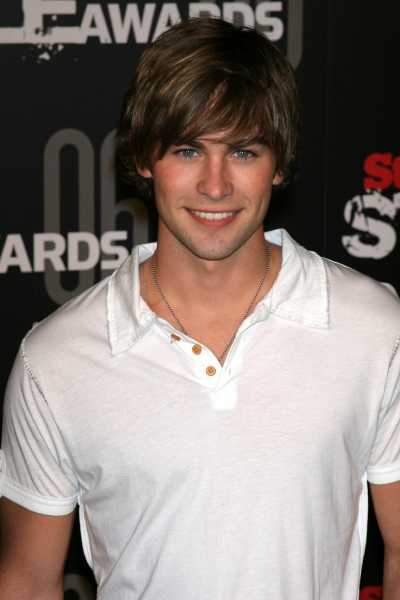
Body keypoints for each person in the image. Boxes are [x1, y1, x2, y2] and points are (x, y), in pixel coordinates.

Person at [1, 16, 399, 600]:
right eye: (188, 150)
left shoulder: (375, 328)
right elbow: (27, 581)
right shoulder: (55, 360)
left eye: (242, 151)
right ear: (145, 158)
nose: (215, 186)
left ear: (279, 165)